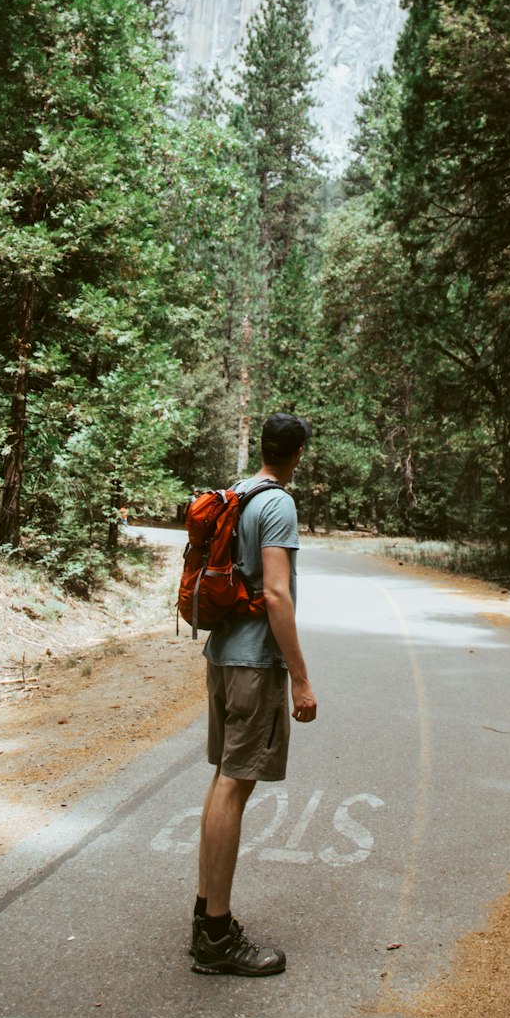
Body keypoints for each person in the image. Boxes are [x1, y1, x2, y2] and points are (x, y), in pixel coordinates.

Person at [190, 412, 317, 978]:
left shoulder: (239, 492)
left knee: (224, 782)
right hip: (253, 663)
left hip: (220, 654)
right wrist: (301, 677)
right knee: (235, 786)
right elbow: (276, 595)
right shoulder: (279, 504)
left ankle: (205, 915)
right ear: (298, 454)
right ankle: (216, 935)